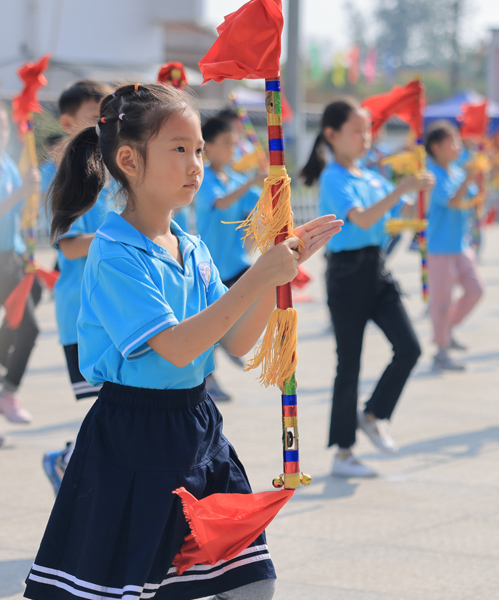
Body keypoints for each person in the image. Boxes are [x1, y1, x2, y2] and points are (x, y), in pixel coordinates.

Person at [24, 82, 341, 600]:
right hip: (133, 437)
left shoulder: (192, 249)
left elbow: (236, 341)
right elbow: (175, 346)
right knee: (138, 589)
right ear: (128, 159)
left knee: (252, 584)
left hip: (197, 429)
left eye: (198, 150)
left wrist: (276, 277)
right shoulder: (113, 252)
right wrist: (258, 277)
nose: (195, 163)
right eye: (179, 149)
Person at [299, 98, 432, 478]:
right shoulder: (334, 177)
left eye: (368, 129)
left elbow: (396, 215)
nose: (365, 137)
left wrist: (414, 183)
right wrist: (399, 189)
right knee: (350, 363)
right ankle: (344, 453)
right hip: (346, 274)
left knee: (409, 347)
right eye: (356, 130)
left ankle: (373, 414)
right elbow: (359, 219)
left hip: (376, 268)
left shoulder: (371, 176)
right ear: (332, 135)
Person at [40, 79, 116, 493]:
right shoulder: (61, 172)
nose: (102, 125)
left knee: (117, 413)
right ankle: (66, 461)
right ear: (68, 122)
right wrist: (122, 240)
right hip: (83, 316)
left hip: (117, 307)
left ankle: (70, 461)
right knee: (106, 414)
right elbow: (69, 248)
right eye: (93, 117)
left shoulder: (113, 166)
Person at [193, 115, 268, 400]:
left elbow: (260, 205)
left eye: (234, 143)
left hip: (237, 263)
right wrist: (251, 181)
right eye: (226, 143)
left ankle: (231, 339)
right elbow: (222, 202)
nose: (232, 149)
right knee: (204, 331)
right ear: (207, 147)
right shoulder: (203, 179)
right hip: (208, 268)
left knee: (258, 291)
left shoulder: (237, 180)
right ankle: (210, 380)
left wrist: (271, 185)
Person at [424, 120, 484, 372]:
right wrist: (470, 174)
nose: (458, 147)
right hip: (439, 248)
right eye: (453, 142)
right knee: (441, 300)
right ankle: (441, 350)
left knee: (476, 290)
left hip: (461, 245)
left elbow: (475, 202)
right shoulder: (431, 175)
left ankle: (445, 331)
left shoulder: (457, 172)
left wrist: (483, 177)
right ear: (436, 147)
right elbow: (453, 201)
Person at [0, 103, 42, 426]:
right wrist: (21, 195)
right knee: (28, 327)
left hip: (11, 257)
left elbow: (22, 213)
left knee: (35, 296)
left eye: (3, 127)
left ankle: (4, 381)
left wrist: (32, 192)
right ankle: (8, 389)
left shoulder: (9, 165)